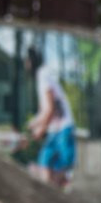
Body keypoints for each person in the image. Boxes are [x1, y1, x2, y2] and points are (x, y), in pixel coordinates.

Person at [24, 46, 76, 188]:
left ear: (31, 61)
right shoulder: (43, 76)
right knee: (45, 166)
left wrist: (38, 127)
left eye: (27, 61)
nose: (25, 64)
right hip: (56, 129)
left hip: (63, 129)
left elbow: (49, 109)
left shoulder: (42, 75)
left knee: (59, 172)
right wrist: (35, 125)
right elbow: (45, 110)